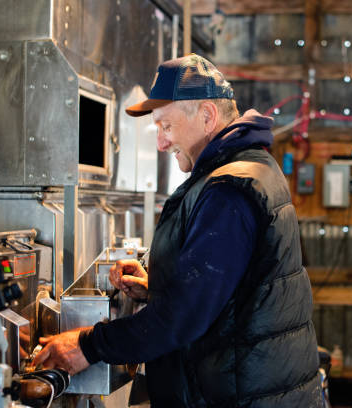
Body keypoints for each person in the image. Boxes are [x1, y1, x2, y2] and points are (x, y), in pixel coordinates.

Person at [34, 54, 323, 407]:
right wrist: (160, 284)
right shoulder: (248, 168)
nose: (161, 143)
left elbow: (182, 317)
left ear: (207, 116)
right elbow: (225, 290)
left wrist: (87, 346)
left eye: (166, 126)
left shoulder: (229, 189)